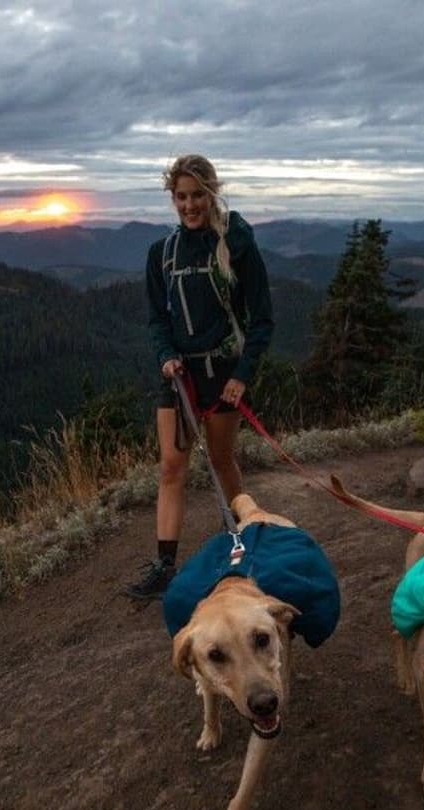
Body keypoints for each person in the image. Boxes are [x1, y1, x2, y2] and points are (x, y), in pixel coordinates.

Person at [124, 154, 274, 601]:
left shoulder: (238, 243)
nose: (189, 206)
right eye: (181, 197)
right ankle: (164, 565)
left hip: (223, 373)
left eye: (196, 196)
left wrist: (242, 376)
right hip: (179, 377)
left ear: (211, 194)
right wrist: (165, 355)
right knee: (172, 467)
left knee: (223, 460)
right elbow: (157, 319)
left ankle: (245, 541)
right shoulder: (162, 253)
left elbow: (262, 319)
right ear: (172, 198)